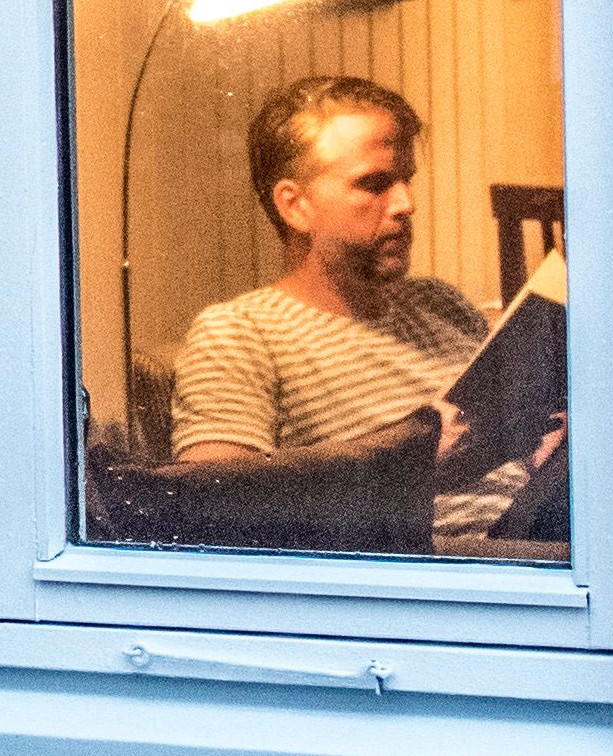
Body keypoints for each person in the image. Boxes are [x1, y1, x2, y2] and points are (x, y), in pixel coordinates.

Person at [113, 74, 532, 552]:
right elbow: (219, 511)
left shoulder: (443, 305)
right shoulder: (242, 333)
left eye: (405, 180)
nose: (405, 204)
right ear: (295, 206)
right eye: (373, 184)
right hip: (426, 572)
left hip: (535, 528)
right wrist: (405, 462)